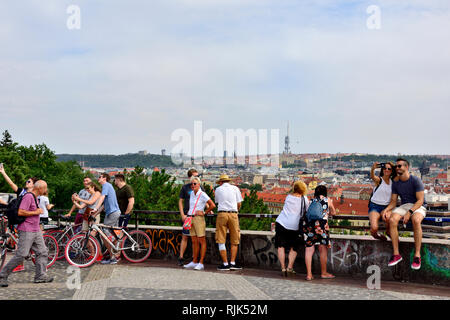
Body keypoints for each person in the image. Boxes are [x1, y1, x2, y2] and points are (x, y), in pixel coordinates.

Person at [0, 180, 53, 287]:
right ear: (39, 188)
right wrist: (36, 212)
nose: (46, 190)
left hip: (35, 230)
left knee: (42, 252)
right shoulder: (28, 196)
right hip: (26, 229)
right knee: (22, 254)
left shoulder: (35, 197)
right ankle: (2, 275)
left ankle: (40, 276)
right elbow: (21, 212)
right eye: (45, 188)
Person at [381, 158, 427, 270]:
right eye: (396, 166)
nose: (397, 168)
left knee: (416, 220)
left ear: (406, 167)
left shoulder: (415, 180)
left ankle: (417, 255)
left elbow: (420, 200)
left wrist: (409, 213)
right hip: (405, 205)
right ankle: (396, 254)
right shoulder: (396, 183)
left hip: (418, 205)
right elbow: (393, 202)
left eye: (400, 166)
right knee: (392, 220)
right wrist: (386, 210)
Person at [0, 164, 38, 273]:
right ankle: (21, 263)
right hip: (19, 219)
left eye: (29, 181)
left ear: (34, 185)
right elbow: (12, 184)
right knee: (19, 242)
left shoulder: (36, 195)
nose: (26, 182)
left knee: (21, 243)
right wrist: (3, 172)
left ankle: (19, 265)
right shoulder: (23, 192)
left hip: (28, 221)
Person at [77, 173, 121, 265]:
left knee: (104, 234)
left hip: (112, 213)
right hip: (112, 213)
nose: (98, 178)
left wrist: (95, 208)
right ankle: (115, 252)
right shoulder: (108, 186)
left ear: (104, 178)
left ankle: (113, 257)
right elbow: (104, 205)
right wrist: (95, 213)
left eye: (100, 177)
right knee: (108, 234)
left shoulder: (106, 185)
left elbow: (102, 198)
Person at [275, 181, 309, 277]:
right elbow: (307, 211)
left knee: (280, 246)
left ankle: (283, 268)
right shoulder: (304, 199)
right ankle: (290, 268)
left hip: (281, 223)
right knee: (294, 247)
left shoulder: (288, 197)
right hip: (295, 226)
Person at [303, 185, 336, 281]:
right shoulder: (327, 200)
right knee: (323, 249)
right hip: (321, 227)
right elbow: (333, 212)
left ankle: (309, 275)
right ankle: (324, 273)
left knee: (309, 250)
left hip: (309, 226)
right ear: (325, 192)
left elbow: (306, 213)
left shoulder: (310, 201)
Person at [183, 176, 215, 271]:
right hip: (191, 217)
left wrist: (204, 212)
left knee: (201, 240)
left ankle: (201, 262)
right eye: (191, 184)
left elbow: (212, 205)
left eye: (194, 184)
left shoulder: (202, 194)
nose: (192, 185)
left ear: (199, 184)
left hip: (198, 218)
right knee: (194, 240)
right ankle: (194, 261)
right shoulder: (192, 193)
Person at [214, 174, 243, 271]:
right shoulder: (235, 188)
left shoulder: (218, 189)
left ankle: (225, 263)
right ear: (228, 181)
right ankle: (233, 263)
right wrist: (236, 211)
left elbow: (217, 202)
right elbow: (239, 203)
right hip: (233, 214)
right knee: (235, 239)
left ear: (221, 182)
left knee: (221, 238)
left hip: (222, 214)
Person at [178, 169, 204, 266]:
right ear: (190, 178)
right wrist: (182, 214)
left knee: (195, 238)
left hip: (196, 216)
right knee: (185, 236)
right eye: (194, 176)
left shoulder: (200, 187)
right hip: (188, 215)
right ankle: (181, 257)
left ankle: (194, 258)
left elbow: (204, 199)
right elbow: (180, 201)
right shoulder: (185, 188)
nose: (197, 178)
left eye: (198, 176)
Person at [369, 161, 396, 241]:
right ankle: (376, 235)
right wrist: (373, 169)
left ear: (391, 171)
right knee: (374, 228)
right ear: (382, 170)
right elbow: (373, 177)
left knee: (388, 219)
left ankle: (388, 232)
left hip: (386, 207)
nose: (386, 170)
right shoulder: (379, 180)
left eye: (389, 169)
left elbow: (393, 200)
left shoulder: (393, 183)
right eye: (384, 168)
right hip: (375, 206)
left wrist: (387, 209)